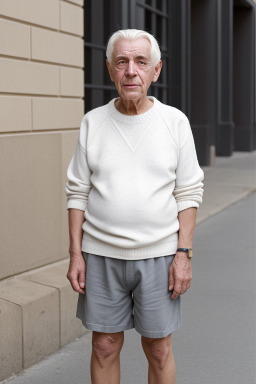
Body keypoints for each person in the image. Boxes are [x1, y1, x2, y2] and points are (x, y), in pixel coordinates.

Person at [65, 29, 204, 384]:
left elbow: (188, 192)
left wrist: (183, 254)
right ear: (110, 68)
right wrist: (76, 255)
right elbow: (77, 192)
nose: (131, 71)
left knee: (159, 350)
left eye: (141, 62)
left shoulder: (174, 122)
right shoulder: (92, 122)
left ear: (156, 70)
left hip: (159, 256)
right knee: (104, 346)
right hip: (101, 256)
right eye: (122, 62)